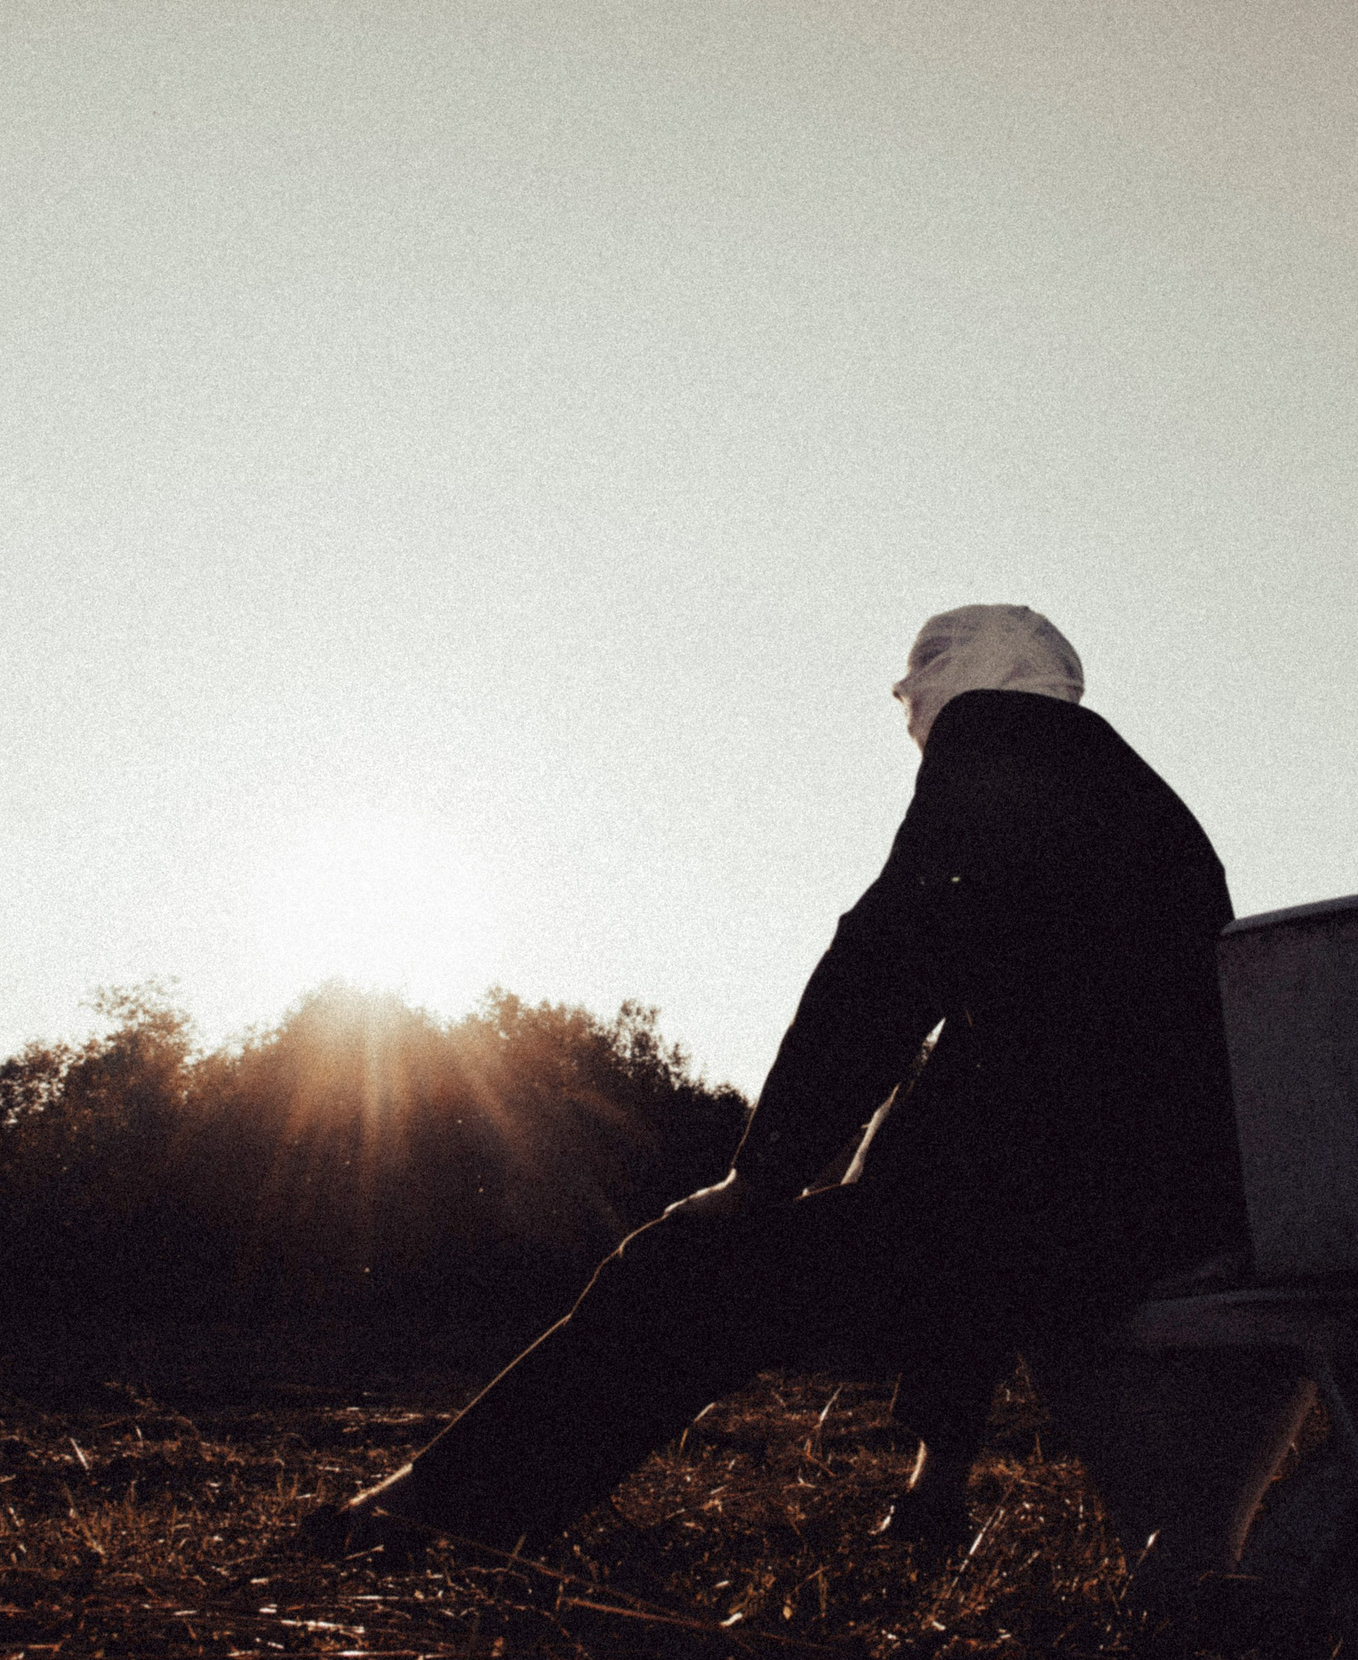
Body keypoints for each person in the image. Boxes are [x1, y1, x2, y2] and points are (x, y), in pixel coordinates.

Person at [305, 604, 1253, 1583]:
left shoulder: (998, 741)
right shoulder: (1136, 806)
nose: (909, 716)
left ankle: (439, 1518)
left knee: (680, 1268)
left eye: (908, 690)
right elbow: (983, 1081)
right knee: (929, 1223)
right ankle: (936, 1496)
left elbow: (881, 966)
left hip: (1076, 1221)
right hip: (1156, 1209)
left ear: (949, 679)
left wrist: (762, 1178)